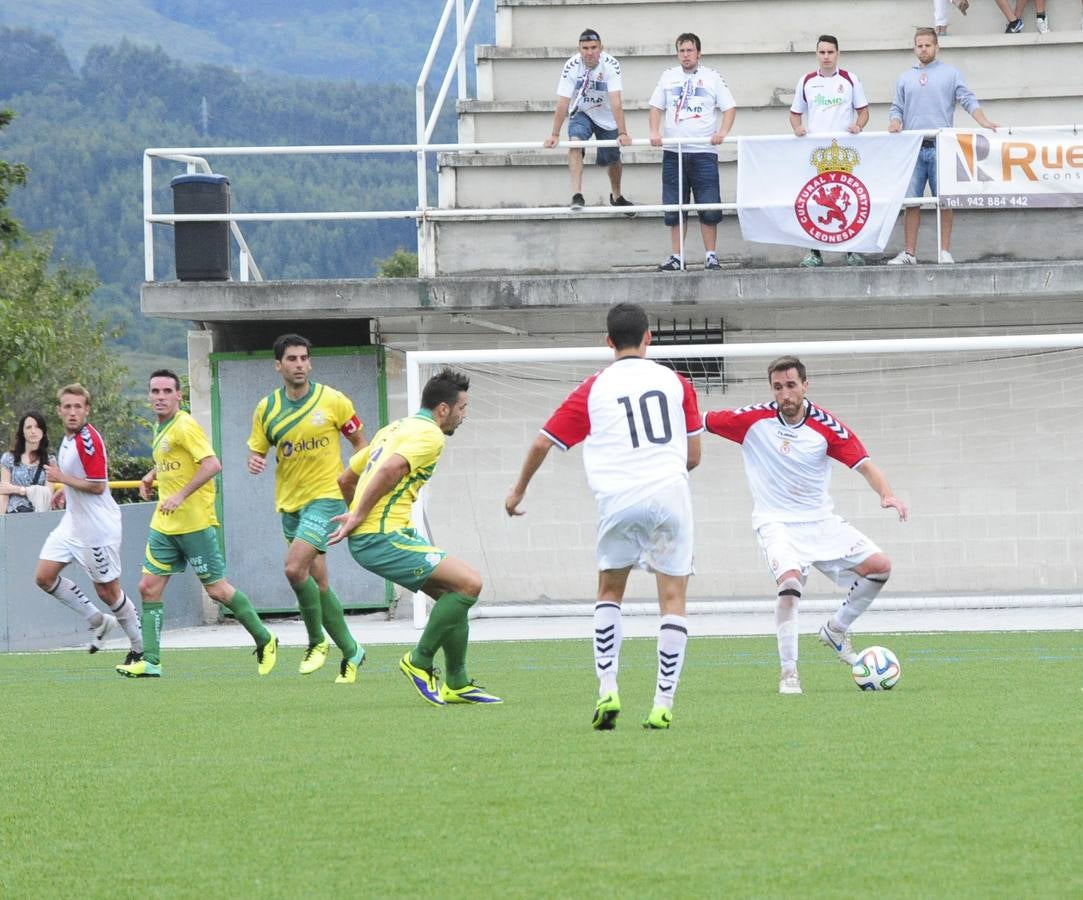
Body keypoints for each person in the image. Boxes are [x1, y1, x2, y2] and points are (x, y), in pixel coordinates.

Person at [505, 302, 703, 730]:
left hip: (618, 499)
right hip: (670, 495)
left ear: (608, 341)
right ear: (649, 338)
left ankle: (608, 689)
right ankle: (662, 703)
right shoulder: (677, 383)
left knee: (610, 592)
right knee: (672, 600)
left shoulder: (593, 388)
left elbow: (542, 443)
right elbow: (694, 456)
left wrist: (518, 490)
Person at [703, 356, 908, 695]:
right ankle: (789, 673)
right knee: (790, 584)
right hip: (776, 523)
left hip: (820, 522)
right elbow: (701, 422)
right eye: (778, 387)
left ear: (805, 386)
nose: (785, 394)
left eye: (791, 386)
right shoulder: (753, 420)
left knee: (880, 567)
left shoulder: (826, 426)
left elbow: (865, 464)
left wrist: (887, 495)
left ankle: (836, 629)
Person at [328, 367, 501, 707]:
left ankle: (457, 682)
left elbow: (346, 480)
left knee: (454, 597)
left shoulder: (394, 428)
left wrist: (356, 515)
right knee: (470, 584)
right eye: (462, 408)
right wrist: (361, 516)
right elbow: (391, 470)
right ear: (443, 409)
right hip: (382, 537)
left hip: (379, 535)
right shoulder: (430, 435)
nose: (464, 416)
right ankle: (419, 661)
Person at [117, 370, 278, 678]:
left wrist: (179, 494)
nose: (160, 396)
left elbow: (212, 464)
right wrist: (153, 474)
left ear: (179, 395)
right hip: (165, 525)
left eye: (167, 391)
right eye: (155, 391)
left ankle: (265, 638)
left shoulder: (186, 425)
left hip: (194, 523)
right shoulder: (161, 427)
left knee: (217, 590)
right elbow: (173, 460)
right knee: (148, 587)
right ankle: (151, 661)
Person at [247, 334, 368, 682]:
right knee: (319, 583)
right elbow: (258, 450)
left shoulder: (333, 400)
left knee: (293, 569)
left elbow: (361, 443)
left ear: (310, 363)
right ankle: (352, 650)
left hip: (326, 498)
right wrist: (255, 460)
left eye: (304, 358)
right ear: (278, 366)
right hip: (290, 504)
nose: (299, 364)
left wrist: (355, 485)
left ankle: (317, 641)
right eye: (292, 359)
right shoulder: (266, 408)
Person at [33, 384, 142, 656]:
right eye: (67, 407)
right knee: (44, 577)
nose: (72, 412)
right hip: (72, 524)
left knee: (108, 592)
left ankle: (141, 647)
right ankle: (98, 621)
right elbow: (78, 480)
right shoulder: (68, 438)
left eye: (78, 407)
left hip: (97, 529)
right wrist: (66, 493)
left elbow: (97, 486)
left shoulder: (87, 440)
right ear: (59, 411)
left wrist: (61, 480)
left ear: (87, 410)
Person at [886, 28, 998, 266]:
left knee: (945, 201)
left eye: (928, 45)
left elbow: (967, 99)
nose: (923, 49)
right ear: (914, 48)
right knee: (911, 201)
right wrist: (895, 121)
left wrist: (983, 121)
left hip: (941, 146)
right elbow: (896, 106)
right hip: (914, 147)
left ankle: (944, 251)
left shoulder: (950, 73)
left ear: (937, 47)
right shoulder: (905, 77)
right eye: (919, 45)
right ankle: (909, 253)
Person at [649, 32, 737, 272]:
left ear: (698, 52)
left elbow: (729, 108)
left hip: (703, 152)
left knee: (708, 204)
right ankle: (677, 256)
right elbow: (655, 107)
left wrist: (723, 132)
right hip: (673, 152)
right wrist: (654, 132)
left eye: (689, 50)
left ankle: (711, 256)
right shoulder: (668, 76)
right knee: (675, 206)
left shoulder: (712, 77)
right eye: (681, 51)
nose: (685, 55)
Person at [789, 35, 870, 269]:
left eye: (830, 52)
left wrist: (859, 125)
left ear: (838, 54)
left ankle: (851, 251)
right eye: (822, 52)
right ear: (816, 54)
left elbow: (863, 111)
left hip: (844, 153)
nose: (826, 56)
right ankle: (814, 252)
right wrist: (797, 128)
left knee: (849, 199)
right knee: (814, 201)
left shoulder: (850, 79)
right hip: (816, 154)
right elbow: (795, 113)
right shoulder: (806, 81)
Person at [544, 28, 634, 212]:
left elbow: (616, 101)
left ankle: (616, 195)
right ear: (579, 49)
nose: (590, 52)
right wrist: (554, 134)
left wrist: (623, 132)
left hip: (606, 114)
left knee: (612, 158)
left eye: (594, 47)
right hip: (582, 111)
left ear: (601, 48)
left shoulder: (611, 65)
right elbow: (562, 102)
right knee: (575, 143)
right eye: (585, 48)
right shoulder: (571, 66)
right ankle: (577, 194)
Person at [1, 412, 57, 514]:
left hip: (39, 518)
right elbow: (3, 491)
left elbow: (48, 495)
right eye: (28, 427)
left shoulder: (49, 461)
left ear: (43, 431)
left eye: (37, 427)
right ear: (22, 432)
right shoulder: (9, 459)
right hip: (13, 516)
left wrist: (19, 490)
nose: (33, 431)